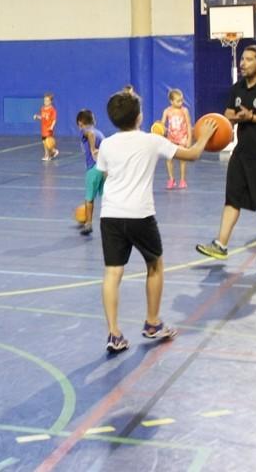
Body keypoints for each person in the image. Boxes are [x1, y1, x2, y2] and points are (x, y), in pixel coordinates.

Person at [95, 91, 217, 353]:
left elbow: (103, 177)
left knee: (112, 273)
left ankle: (114, 334)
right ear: (139, 117)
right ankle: (152, 323)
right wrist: (205, 136)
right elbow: (192, 154)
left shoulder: (106, 145)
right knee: (155, 266)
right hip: (140, 215)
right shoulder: (152, 141)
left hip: (110, 215)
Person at [196, 45, 256, 266]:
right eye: (242, 59)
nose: (242, 63)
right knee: (232, 198)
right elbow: (228, 113)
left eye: (248, 60)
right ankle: (221, 244)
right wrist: (236, 117)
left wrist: (252, 117)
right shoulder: (237, 88)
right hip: (241, 154)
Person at [76, 109, 105, 236]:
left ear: (80, 123)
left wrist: (92, 149)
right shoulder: (100, 133)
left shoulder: (86, 130)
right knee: (105, 198)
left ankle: (88, 224)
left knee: (89, 198)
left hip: (93, 169)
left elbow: (90, 134)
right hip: (103, 169)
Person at [161, 88, 193, 189]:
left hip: (182, 138)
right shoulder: (167, 111)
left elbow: (188, 125)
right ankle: (171, 179)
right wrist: (160, 129)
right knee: (169, 158)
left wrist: (189, 139)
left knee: (182, 159)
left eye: (182, 100)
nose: (181, 103)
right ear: (171, 101)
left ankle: (182, 180)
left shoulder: (184, 111)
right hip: (171, 138)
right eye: (178, 101)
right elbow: (162, 124)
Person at [34, 92, 59, 161]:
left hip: (48, 129)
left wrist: (51, 127)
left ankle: (53, 151)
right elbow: (42, 117)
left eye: (47, 101)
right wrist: (37, 117)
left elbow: (54, 120)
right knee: (44, 143)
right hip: (43, 129)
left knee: (48, 142)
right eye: (45, 100)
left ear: (51, 101)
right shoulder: (42, 108)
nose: (46, 102)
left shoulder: (52, 110)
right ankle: (48, 155)